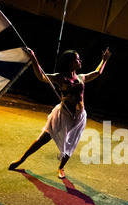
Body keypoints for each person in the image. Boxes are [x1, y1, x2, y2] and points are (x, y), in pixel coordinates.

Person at [8, 47, 112, 179]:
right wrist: (33, 57)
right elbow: (41, 76)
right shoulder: (60, 78)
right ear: (70, 62)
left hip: (78, 118)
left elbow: (98, 73)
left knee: (71, 144)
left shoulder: (81, 77)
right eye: (77, 59)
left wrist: (104, 60)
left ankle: (61, 167)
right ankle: (21, 159)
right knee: (43, 139)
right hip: (62, 116)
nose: (80, 60)